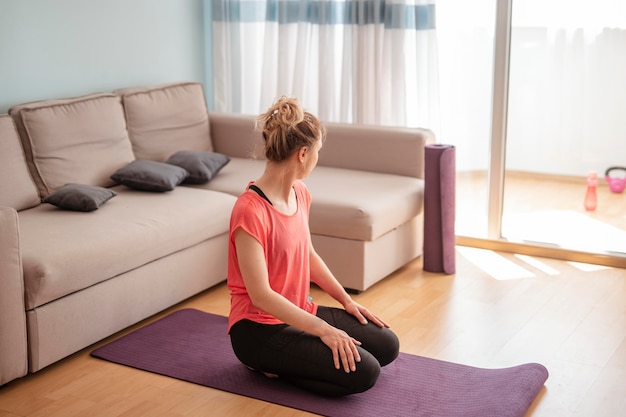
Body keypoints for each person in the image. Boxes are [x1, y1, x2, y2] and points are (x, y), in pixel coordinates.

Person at [227, 96, 399, 397]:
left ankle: (295, 360)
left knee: (386, 344)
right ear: (303, 154)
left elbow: (308, 254)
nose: (318, 158)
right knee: (365, 372)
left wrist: (347, 301)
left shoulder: (300, 193)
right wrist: (324, 330)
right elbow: (261, 296)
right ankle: (269, 366)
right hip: (258, 329)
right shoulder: (249, 210)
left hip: (299, 310)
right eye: (318, 151)